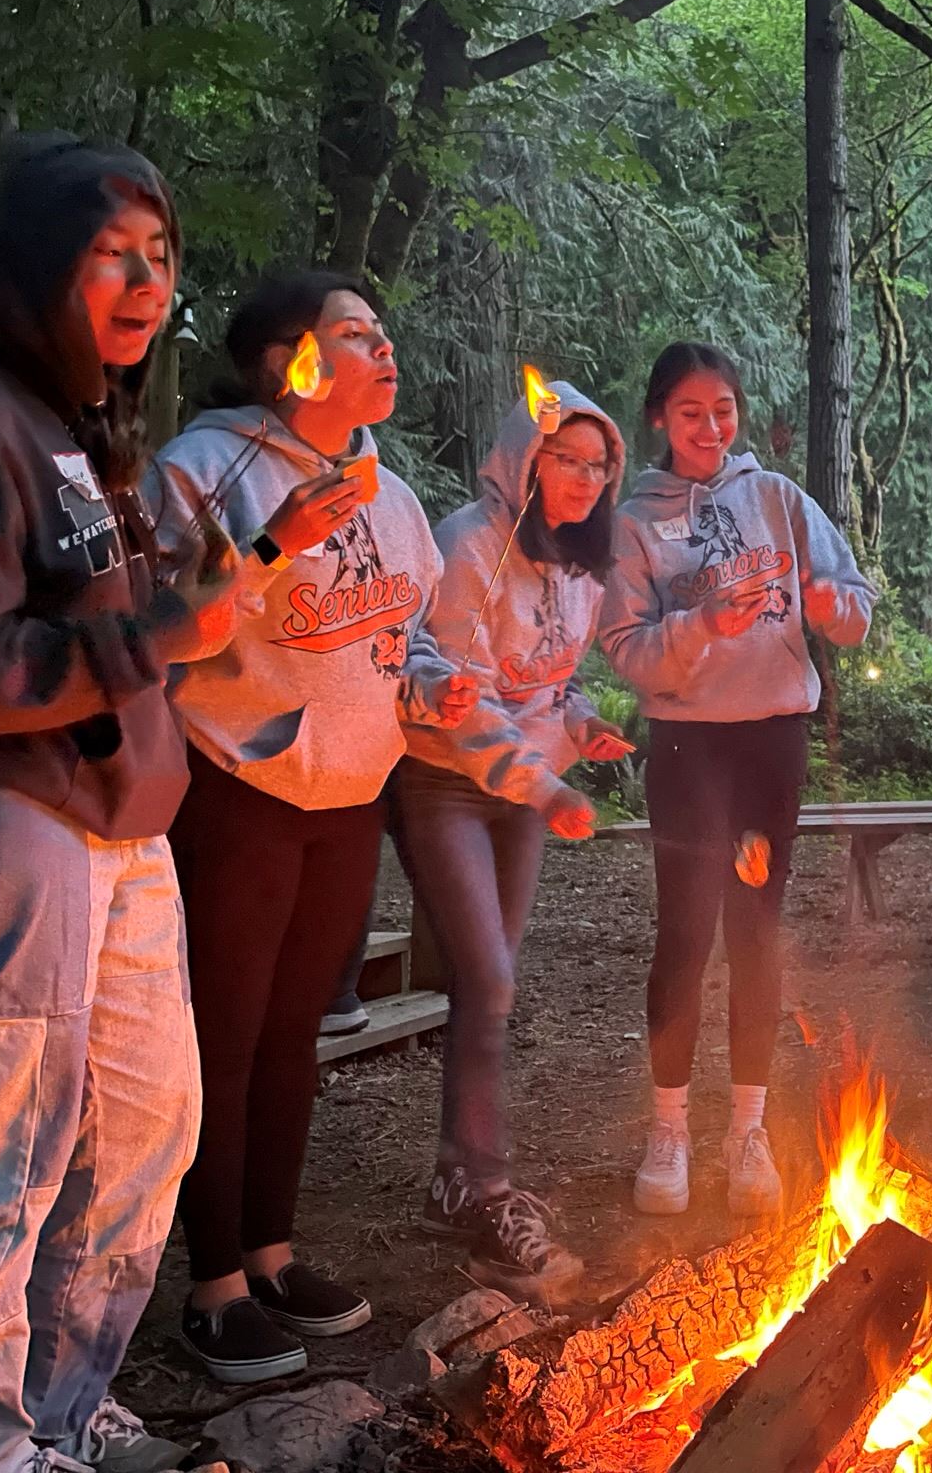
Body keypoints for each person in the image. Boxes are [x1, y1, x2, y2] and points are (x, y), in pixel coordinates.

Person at [0, 134, 238, 1473]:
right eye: (107, 256)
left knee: (145, 1133)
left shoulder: (87, 429)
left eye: (160, 257)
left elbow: (120, 620)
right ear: (35, 267)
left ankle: (63, 1407)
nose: (144, 284)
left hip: (116, 825)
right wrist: (163, 640)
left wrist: (185, 607)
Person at [148, 271, 475, 1385]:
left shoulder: (386, 488)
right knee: (225, 1038)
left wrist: (433, 686)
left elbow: (403, 632)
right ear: (292, 361)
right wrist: (276, 540)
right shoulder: (207, 471)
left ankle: (272, 1253)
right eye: (355, 334)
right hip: (238, 792)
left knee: (297, 1033)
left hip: (350, 799)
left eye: (382, 330)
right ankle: (210, 1288)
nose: (383, 347)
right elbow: (171, 638)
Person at [602, 342, 874, 1218]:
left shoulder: (779, 501)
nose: (711, 427)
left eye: (723, 410)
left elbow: (850, 598)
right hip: (686, 746)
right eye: (691, 412)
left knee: (757, 930)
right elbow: (625, 651)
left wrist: (838, 611)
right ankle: (670, 1128)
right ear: (659, 419)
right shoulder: (636, 522)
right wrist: (701, 626)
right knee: (686, 933)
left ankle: (747, 1129)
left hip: (772, 742)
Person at [400, 379, 631, 1301]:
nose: (584, 478)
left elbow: (547, 685)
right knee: (489, 977)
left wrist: (583, 724)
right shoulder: (469, 544)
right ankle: (488, 1190)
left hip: (524, 794)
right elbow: (466, 696)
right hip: (446, 781)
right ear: (524, 462)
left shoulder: (579, 561)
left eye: (598, 464)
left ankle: (457, 1175)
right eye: (565, 460)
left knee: (487, 987)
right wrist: (546, 781)